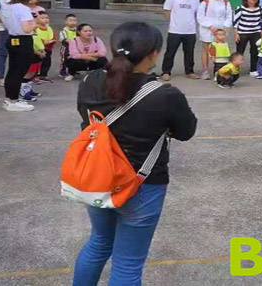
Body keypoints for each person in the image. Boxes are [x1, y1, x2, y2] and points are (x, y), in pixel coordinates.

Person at [74, 21, 197, 286]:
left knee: (98, 243)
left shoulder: (89, 81)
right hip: (142, 183)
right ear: (153, 53)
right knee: (128, 264)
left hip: (98, 177)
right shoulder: (164, 94)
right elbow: (186, 131)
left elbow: (87, 119)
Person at [2, 0, 37, 112]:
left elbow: (4, 23)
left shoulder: (8, 7)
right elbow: (26, 28)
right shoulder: (24, 9)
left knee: (12, 70)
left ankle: (9, 99)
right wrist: (36, 22)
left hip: (12, 38)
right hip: (23, 40)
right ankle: (14, 101)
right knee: (19, 72)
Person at [161, 0, 199, 81]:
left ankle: (189, 71)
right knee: (170, 52)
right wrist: (174, 21)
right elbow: (166, 10)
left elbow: (197, 13)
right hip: (175, 30)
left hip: (190, 31)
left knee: (189, 52)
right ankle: (166, 72)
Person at [195, 0, 233, 80]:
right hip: (207, 30)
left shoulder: (226, 3)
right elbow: (200, 16)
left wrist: (226, 27)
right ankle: (205, 71)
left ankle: (219, 71)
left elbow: (229, 16)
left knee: (220, 50)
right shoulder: (205, 3)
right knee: (206, 50)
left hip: (221, 31)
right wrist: (209, 26)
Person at [233, 0, 262, 77]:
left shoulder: (260, 9)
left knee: (255, 51)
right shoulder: (240, 8)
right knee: (240, 51)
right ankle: (235, 68)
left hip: (255, 32)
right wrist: (236, 33)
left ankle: (253, 69)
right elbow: (235, 22)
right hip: (242, 33)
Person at [34, 11, 56, 82]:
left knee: (47, 62)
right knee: (37, 63)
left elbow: (53, 37)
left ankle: (43, 75)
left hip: (48, 48)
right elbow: (35, 38)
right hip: (38, 49)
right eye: (43, 18)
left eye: (47, 18)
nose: (45, 20)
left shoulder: (49, 28)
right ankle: (34, 76)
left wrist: (52, 41)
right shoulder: (35, 28)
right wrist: (43, 42)